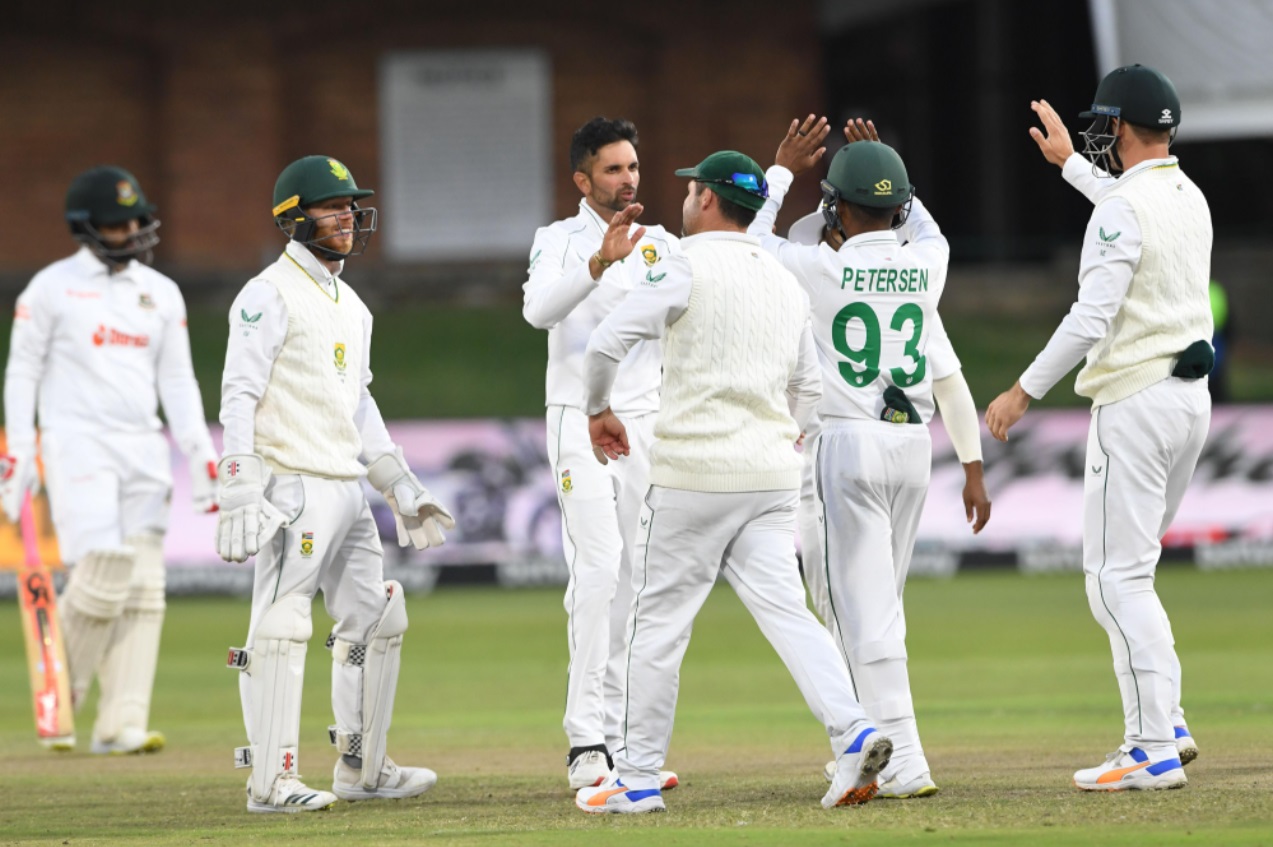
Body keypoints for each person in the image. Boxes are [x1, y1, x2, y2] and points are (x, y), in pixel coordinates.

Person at [575, 150, 892, 815]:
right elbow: (809, 387)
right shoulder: (780, 276)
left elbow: (604, 343)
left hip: (692, 475)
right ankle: (853, 729)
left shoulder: (681, 263)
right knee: (788, 614)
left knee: (655, 625)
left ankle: (632, 777)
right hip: (771, 476)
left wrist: (598, 409)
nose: (684, 198)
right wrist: (788, 433)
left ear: (708, 200)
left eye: (691, 188)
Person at [747, 117, 991, 799]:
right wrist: (888, 164)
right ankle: (873, 748)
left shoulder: (820, 266)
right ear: (900, 206)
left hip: (846, 440)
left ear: (836, 206)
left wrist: (781, 169)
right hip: (912, 445)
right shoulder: (926, 260)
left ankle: (902, 758)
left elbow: (748, 242)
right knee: (880, 608)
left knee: (861, 616)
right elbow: (924, 225)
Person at [986, 64, 1212, 791]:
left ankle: (1149, 745)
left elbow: (1091, 314)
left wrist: (1023, 390)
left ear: (1118, 126)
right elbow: (1124, 207)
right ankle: (1165, 721)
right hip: (1188, 403)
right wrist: (1071, 166)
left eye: (1101, 126)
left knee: (1114, 578)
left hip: (1136, 403)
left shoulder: (1120, 207)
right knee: (1130, 574)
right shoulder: (1188, 194)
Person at [218, 155, 454, 813]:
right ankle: (270, 780)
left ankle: (362, 765)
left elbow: (358, 402)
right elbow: (239, 390)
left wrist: (397, 480)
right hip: (292, 482)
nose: (348, 216)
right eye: (332, 206)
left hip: (346, 484)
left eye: (351, 206)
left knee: (378, 612)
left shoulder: (349, 302)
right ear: (295, 219)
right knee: (283, 623)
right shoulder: (266, 293)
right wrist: (237, 480)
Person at [1, 166, 217, 756]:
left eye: (134, 218)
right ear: (86, 225)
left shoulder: (161, 292)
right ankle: (60, 699)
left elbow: (176, 379)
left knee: (145, 586)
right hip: (76, 443)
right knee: (101, 570)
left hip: (143, 446)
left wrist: (199, 450)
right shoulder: (49, 289)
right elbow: (22, 371)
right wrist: (19, 448)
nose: (130, 229)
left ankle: (120, 723)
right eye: (117, 222)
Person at [522, 117, 679, 791]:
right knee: (597, 570)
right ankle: (585, 740)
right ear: (582, 179)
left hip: (646, 422)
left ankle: (620, 742)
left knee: (636, 579)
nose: (628, 179)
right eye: (613, 169)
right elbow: (537, 312)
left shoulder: (664, 243)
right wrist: (596, 263)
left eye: (634, 167)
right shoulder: (558, 241)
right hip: (576, 423)